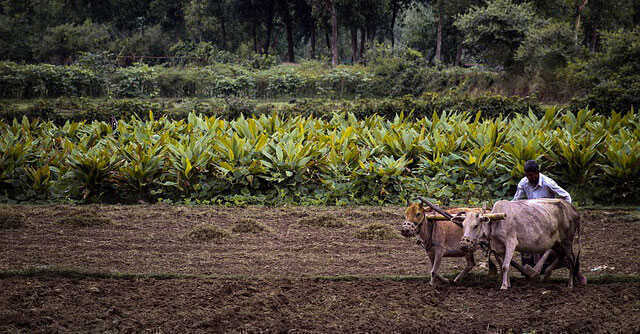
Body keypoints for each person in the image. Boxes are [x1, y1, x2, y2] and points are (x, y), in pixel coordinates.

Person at [512, 160, 571, 267]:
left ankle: (553, 262)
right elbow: (515, 201)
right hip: (531, 217)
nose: (530, 178)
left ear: (537, 173)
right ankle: (531, 265)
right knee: (525, 239)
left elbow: (566, 196)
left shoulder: (548, 183)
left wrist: (566, 214)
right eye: (527, 176)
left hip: (547, 218)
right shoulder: (523, 183)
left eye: (532, 175)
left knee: (551, 244)